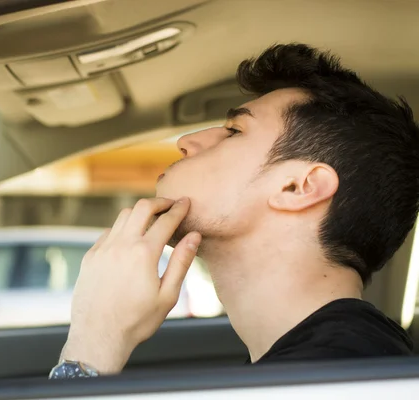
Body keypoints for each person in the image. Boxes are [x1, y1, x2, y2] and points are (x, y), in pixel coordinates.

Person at [49, 43, 419, 379]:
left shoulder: (340, 374)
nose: (186, 142)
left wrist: (95, 342)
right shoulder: (323, 364)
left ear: (298, 187)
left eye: (234, 131)